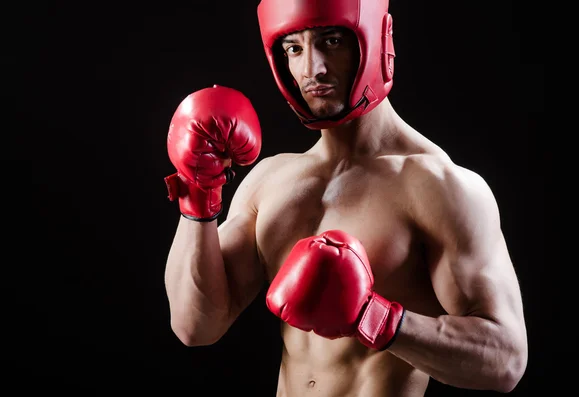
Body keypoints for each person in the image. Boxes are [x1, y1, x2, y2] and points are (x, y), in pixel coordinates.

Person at [162, 0, 529, 395]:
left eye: (331, 41)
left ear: (375, 40)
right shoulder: (270, 180)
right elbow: (195, 326)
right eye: (294, 49)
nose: (311, 70)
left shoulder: (438, 186)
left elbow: (505, 360)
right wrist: (198, 192)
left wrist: (373, 318)